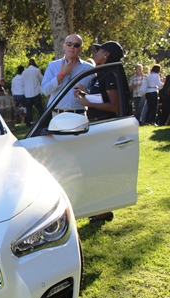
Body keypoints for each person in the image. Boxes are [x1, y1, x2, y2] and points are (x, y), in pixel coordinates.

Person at [74, 41, 124, 223]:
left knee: (101, 169)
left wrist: (88, 103)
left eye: (99, 51)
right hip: (97, 124)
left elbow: (114, 105)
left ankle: (103, 210)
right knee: (96, 167)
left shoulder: (110, 74)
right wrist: (85, 94)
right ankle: (101, 208)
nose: (95, 53)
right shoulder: (102, 74)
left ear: (106, 55)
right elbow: (103, 98)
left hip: (104, 126)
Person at [41, 34, 94, 115]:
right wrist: (61, 75)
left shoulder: (89, 69)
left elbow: (95, 95)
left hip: (79, 114)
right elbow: (45, 91)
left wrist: (85, 92)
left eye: (76, 45)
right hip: (57, 114)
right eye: (69, 44)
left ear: (81, 48)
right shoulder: (53, 66)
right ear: (64, 46)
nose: (72, 47)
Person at [22, 59, 45, 126]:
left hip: (28, 94)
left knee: (29, 109)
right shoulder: (37, 70)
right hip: (36, 92)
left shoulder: (24, 72)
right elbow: (42, 79)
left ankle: (28, 123)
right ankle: (43, 121)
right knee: (40, 108)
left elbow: (23, 82)